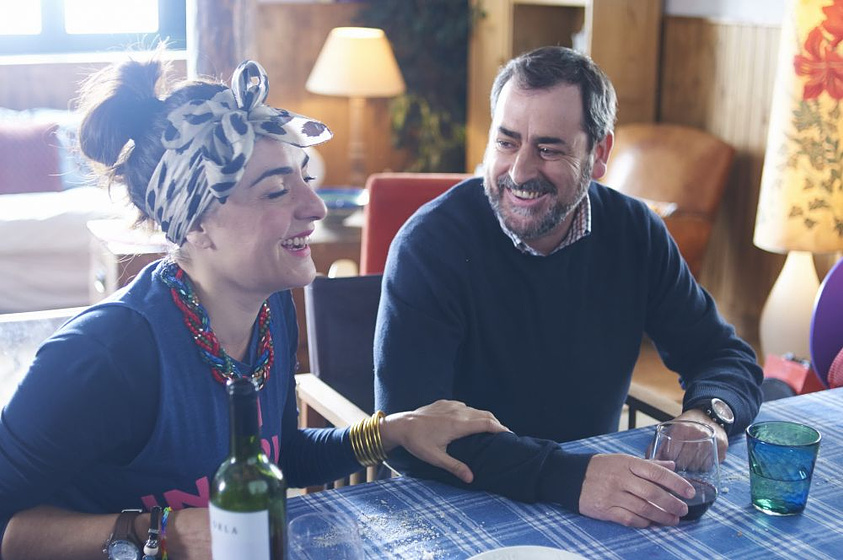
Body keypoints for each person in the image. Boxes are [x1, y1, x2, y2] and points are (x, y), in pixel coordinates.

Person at [0, 55, 508, 560]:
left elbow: (279, 454)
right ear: (195, 223)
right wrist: (153, 532)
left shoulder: (270, 310)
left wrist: (395, 430)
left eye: (304, 178)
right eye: (275, 192)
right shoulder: (105, 356)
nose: (315, 207)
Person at [375, 46, 764, 528]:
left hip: (594, 507)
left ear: (599, 154)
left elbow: (725, 357)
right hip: (454, 509)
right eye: (506, 141)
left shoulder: (635, 232)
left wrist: (707, 417)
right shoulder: (428, 245)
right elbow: (413, 439)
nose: (519, 172)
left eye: (549, 148)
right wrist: (572, 478)